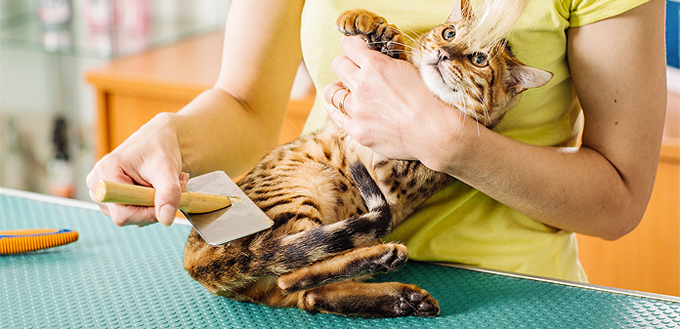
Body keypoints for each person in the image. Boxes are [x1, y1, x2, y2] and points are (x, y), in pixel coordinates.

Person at [86, 0, 667, 282]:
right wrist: (172, 137)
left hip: (507, 293)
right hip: (313, 276)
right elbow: (244, 104)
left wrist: (449, 143)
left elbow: (620, 196)